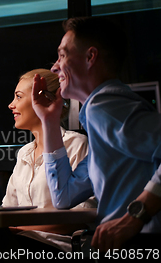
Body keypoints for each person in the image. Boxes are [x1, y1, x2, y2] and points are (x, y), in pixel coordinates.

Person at [32, 16, 161, 251]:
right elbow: (64, 196)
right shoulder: (101, 110)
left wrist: (136, 215)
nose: (54, 67)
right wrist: (49, 121)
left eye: (62, 55)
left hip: (140, 244)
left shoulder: (104, 105)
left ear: (91, 57)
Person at [3, 68, 93, 252]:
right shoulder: (24, 153)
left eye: (18, 97)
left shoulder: (76, 144)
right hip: (20, 240)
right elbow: (8, 209)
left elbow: (83, 216)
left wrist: (20, 230)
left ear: (45, 100)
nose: (11, 105)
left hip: (55, 246)